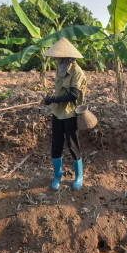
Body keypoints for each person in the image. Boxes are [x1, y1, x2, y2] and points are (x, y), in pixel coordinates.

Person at [42, 38, 87, 190]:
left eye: (59, 58)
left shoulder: (77, 72)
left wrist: (55, 99)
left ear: (67, 57)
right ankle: (57, 175)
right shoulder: (60, 68)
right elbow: (59, 91)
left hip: (70, 114)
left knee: (73, 145)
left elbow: (74, 94)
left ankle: (79, 176)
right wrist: (51, 99)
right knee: (56, 145)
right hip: (57, 113)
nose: (57, 60)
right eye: (56, 58)